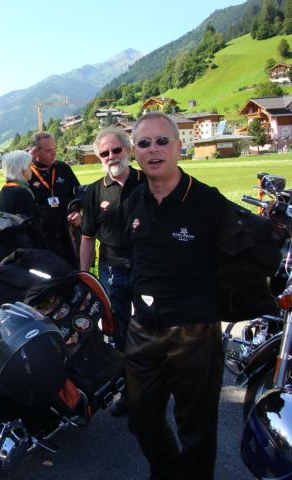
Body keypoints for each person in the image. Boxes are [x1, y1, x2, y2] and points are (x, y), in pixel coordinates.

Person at [123, 112, 226, 479]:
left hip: (193, 332)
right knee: (141, 419)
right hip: (142, 328)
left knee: (196, 429)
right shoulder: (134, 200)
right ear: (135, 152)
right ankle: (168, 472)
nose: (154, 149)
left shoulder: (207, 201)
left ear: (179, 148)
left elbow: (248, 250)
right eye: (144, 143)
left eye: (162, 141)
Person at [79, 127, 146, 417]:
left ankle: (154, 384)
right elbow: (87, 238)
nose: (111, 156)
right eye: (104, 153)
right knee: (118, 331)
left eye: (116, 150)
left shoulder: (148, 181)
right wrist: (83, 276)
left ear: (128, 150)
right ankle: (130, 391)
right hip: (112, 270)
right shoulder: (94, 192)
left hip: (147, 269)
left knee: (151, 328)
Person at [28, 131, 81, 265]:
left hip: (67, 234)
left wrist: (76, 210)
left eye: (54, 148)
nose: (54, 153)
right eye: (48, 150)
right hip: (41, 240)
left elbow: (79, 192)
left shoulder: (63, 168)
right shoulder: (26, 173)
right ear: (34, 152)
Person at [0, 150, 35, 216]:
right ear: (22, 169)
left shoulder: (4, 190)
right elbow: (28, 220)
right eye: (29, 166)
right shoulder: (22, 193)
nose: (31, 169)